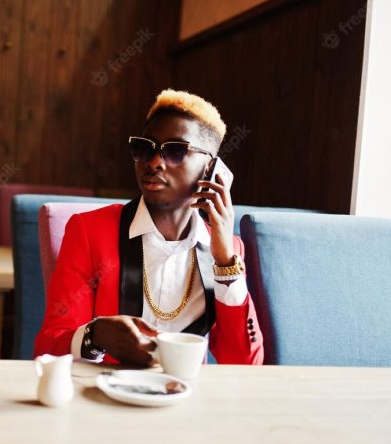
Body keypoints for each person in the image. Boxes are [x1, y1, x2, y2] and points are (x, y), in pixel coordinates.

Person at [34, 89, 264, 366]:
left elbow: (244, 362)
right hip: (107, 396)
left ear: (210, 169)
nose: (154, 162)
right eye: (145, 148)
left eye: (176, 151)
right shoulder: (89, 231)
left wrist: (225, 261)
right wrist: (95, 335)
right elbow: (49, 346)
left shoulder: (227, 252)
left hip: (186, 398)